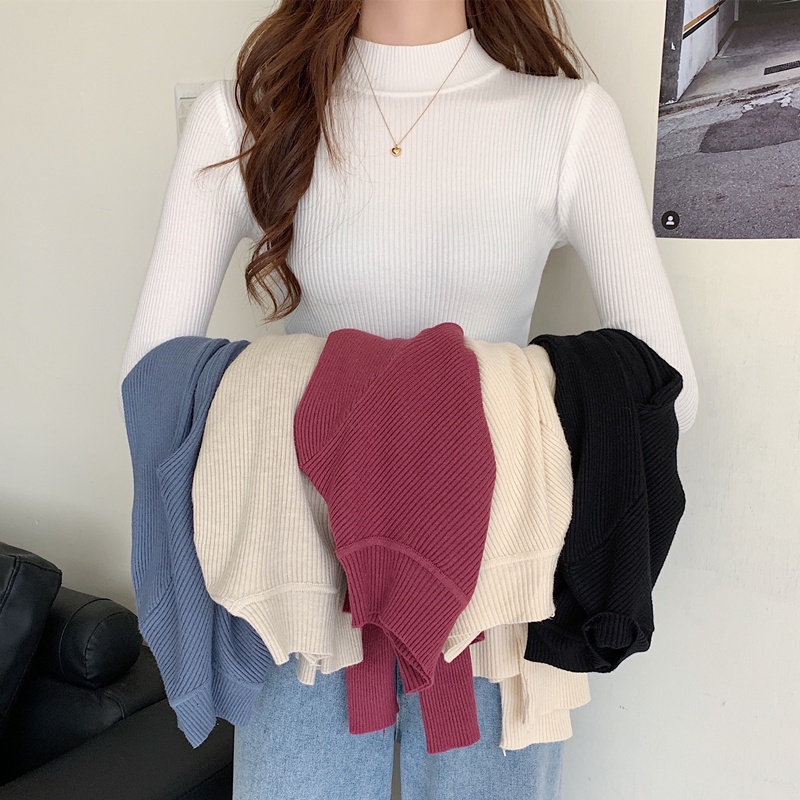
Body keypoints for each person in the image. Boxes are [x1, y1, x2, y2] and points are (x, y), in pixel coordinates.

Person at [119, 0, 699, 797]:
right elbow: (150, 383)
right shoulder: (241, 119)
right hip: (306, 591)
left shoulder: (567, 120)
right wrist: (483, 401)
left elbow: (666, 390)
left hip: (494, 608)